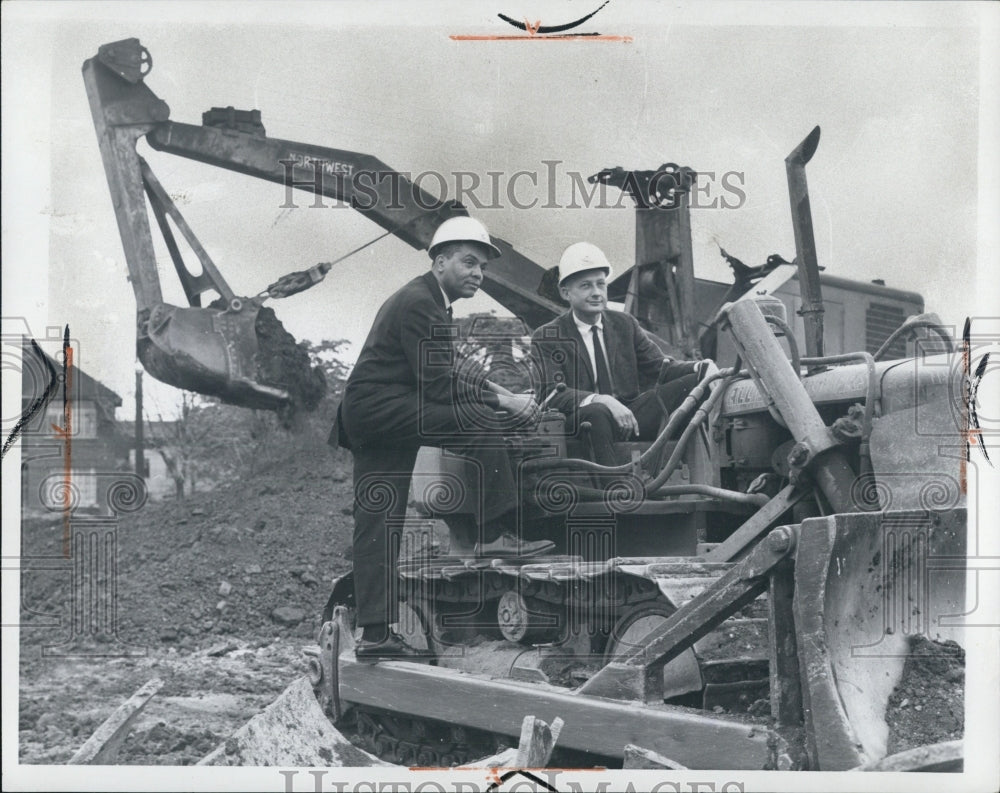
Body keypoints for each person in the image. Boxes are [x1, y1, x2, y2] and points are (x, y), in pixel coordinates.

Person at [336, 216, 553, 661]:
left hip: (378, 415)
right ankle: (490, 533)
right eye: (468, 263)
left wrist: (505, 392)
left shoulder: (431, 301)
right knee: (480, 420)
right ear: (439, 262)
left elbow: (448, 372)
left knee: (380, 519)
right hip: (383, 411)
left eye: (482, 267)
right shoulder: (420, 303)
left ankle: (376, 634)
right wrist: (504, 405)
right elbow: (439, 386)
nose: (477, 273)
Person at [530, 242, 714, 469]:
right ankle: (613, 494)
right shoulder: (548, 336)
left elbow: (660, 367)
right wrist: (602, 400)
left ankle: (677, 472)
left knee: (696, 386)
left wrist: (701, 368)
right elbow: (550, 394)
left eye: (601, 284)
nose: (596, 292)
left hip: (631, 414)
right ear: (565, 292)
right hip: (584, 420)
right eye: (586, 286)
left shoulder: (624, 324)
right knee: (597, 413)